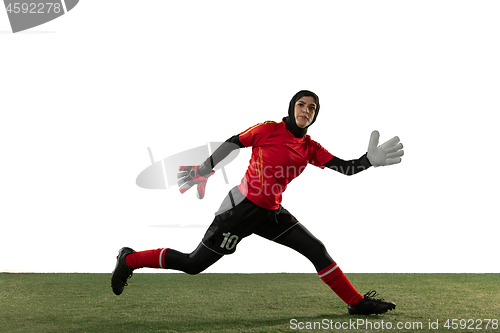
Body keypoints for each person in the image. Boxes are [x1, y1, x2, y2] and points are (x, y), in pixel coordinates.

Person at [111, 90, 404, 315]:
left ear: (315, 116)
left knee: (316, 249)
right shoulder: (269, 129)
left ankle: (356, 303)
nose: (306, 110)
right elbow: (233, 142)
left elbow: (345, 167)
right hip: (239, 210)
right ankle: (129, 259)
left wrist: (368, 161)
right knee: (193, 263)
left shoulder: (309, 147)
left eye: (312, 108)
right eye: (302, 104)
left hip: (271, 213)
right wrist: (203, 171)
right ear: (292, 108)